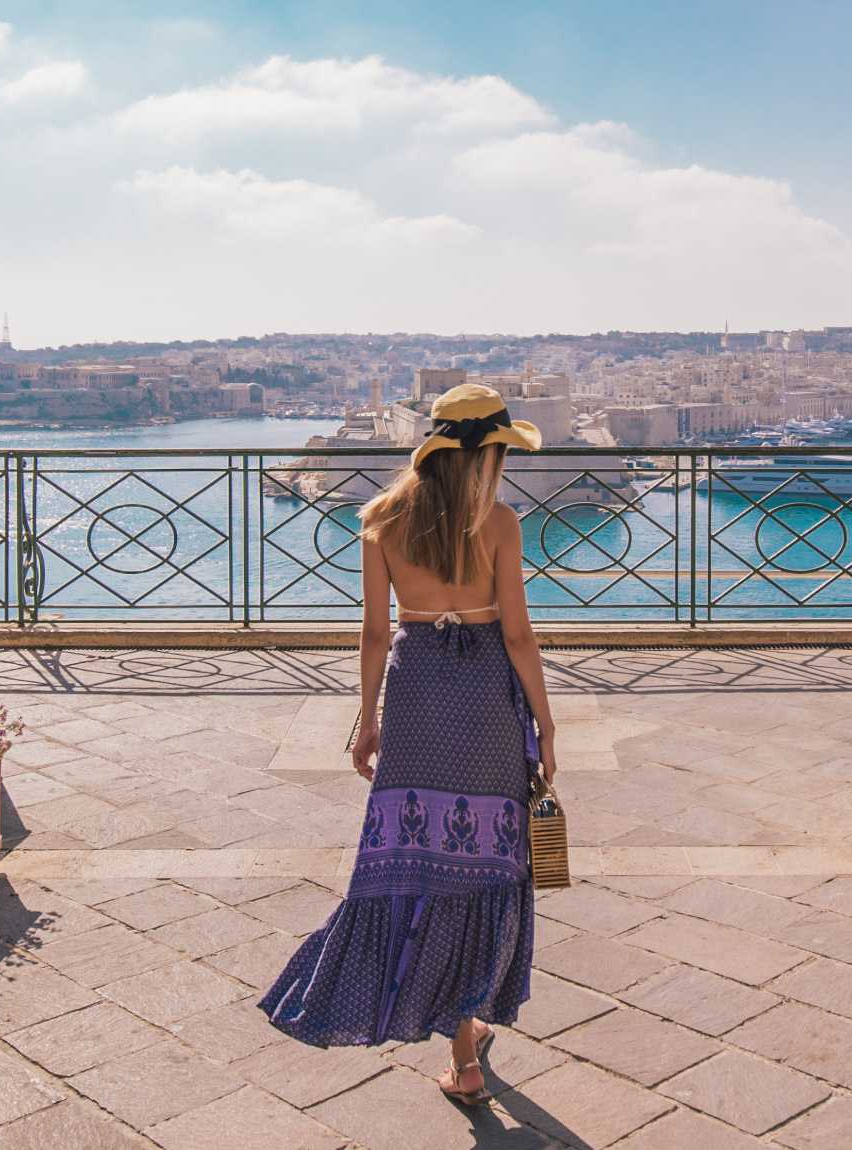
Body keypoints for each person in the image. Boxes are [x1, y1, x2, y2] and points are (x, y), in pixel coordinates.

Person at [258, 383, 559, 1105]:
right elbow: (517, 634)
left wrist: (367, 720)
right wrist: (546, 724)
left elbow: (371, 633)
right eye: (499, 453)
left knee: (420, 861)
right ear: (483, 456)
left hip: (418, 695)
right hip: (485, 698)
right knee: (482, 860)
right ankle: (467, 1035)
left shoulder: (381, 520)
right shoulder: (502, 525)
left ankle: (462, 1048)